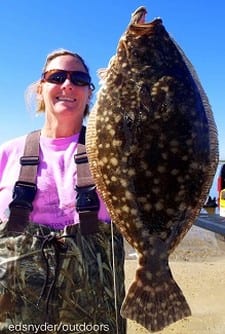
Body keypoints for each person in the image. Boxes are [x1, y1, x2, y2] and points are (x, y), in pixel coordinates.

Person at [0, 49, 126, 334]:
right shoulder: (7, 153)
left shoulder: (114, 155)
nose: (68, 84)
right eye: (57, 77)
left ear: (90, 93)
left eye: (79, 78)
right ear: (40, 88)